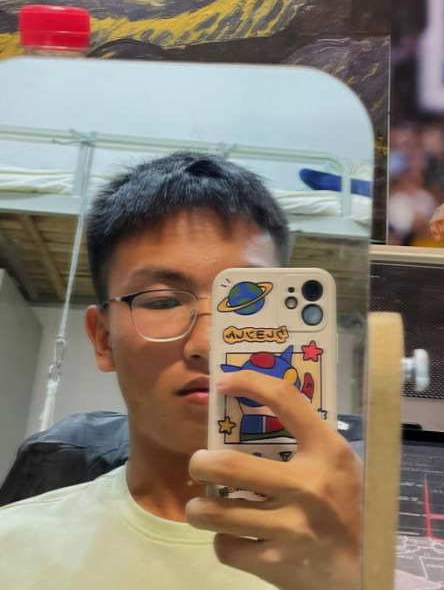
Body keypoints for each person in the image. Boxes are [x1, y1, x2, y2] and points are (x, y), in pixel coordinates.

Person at [0, 153, 362, 590]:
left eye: (246, 300)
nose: (208, 345)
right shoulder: (11, 550)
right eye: (162, 301)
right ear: (103, 339)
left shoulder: (374, 553)